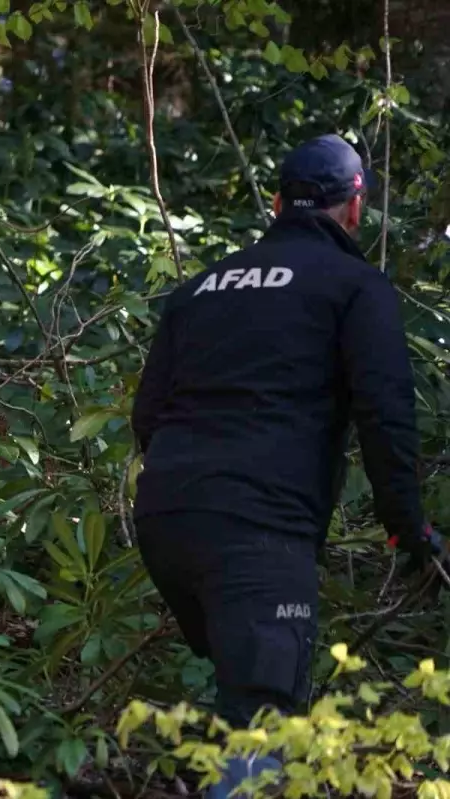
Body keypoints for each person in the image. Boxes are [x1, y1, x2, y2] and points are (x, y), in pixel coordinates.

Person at [130, 134, 440, 796]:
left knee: (242, 694)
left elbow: (146, 417)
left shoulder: (199, 290)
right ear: (355, 208)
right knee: (261, 719)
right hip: (259, 534)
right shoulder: (356, 285)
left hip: (165, 520)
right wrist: (409, 529)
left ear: (276, 203)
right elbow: (386, 418)